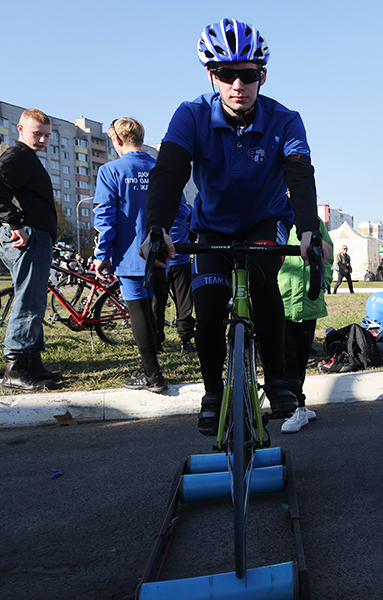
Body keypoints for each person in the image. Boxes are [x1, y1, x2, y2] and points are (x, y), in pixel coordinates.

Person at [143, 18, 321, 435]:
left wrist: (309, 229)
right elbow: (169, 173)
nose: (237, 85)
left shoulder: (285, 119)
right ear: (212, 75)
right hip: (213, 228)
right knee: (207, 309)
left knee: (262, 282)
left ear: (262, 76)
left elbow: (300, 175)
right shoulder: (190, 115)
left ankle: (278, 379)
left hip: (266, 220)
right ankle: (212, 392)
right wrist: (157, 227)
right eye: (226, 75)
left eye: (247, 75)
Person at [93, 117, 168, 393]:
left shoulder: (111, 171)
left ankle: (152, 375)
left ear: (117, 140)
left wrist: (101, 254)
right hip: (159, 251)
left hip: (129, 253)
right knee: (150, 309)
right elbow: (181, 208)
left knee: (137, 310)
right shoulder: (159, 168)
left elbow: (105, 216)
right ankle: (150, 368)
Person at [0, 108, 61, 392]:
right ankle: (15, 368)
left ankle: (32, 362)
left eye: (47, 136)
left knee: (35, 300)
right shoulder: (18, 156)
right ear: (20, 129)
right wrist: (15, 222)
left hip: (36, 235)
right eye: (37, 133)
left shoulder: (27, 158)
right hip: (29, 236)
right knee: (29, 300)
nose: (43, 140)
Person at [279, 217, 333, 433]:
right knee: (288, 357)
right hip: (281, 301)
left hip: (309, 302)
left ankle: (299, 406)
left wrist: (323, 281)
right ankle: (295, 407)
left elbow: (327, 254)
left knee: (301, 356)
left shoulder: (314, 221)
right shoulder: (274, 219)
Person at [151, 197, 195, 353]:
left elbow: (194, 225)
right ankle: (156, 342)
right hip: (160, 262)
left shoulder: (185, 205)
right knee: (157, 303)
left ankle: (186, 340)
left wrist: (188, 243)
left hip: (181, 260)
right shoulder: (153, 203)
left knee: (185, 304)